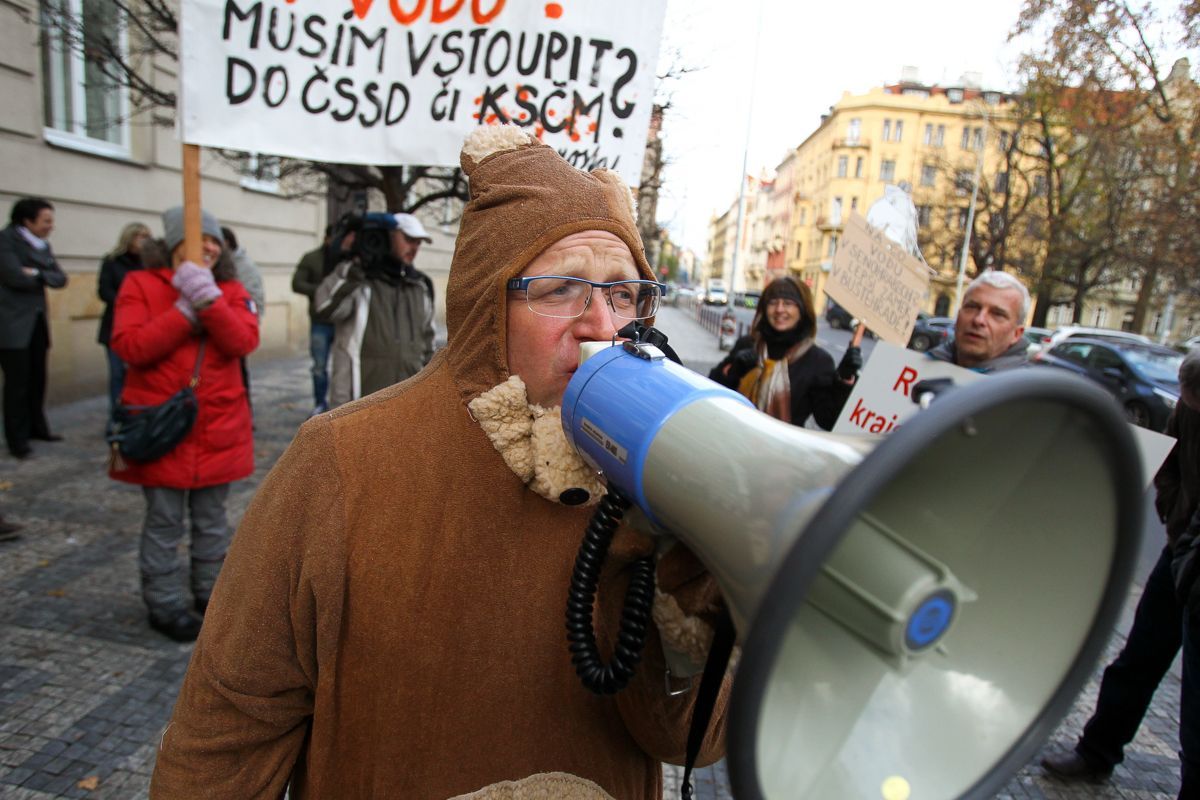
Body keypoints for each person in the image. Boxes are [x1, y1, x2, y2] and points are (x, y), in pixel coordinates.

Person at [150, 127, 728, 799]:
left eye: (623, 294)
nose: (602, 324)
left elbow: (694, 740)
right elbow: (224, 741)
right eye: (563, 288)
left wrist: (689, 610)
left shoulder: (650, 479)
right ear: (488, 303)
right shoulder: (341, 461)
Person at [1042, 351, 1200, 795]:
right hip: (1179, 553)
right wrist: (1172, 515)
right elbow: (1167, 467)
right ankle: (1097, 752)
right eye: (1186, 400)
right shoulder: (1184, 411)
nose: (1187, 407)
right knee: (1137, 659)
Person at [108, 208, 259, 642]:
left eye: (213, 241)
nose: (207, 247)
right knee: (164, 521)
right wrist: (183, 311)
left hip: (218, 427)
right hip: (163, 430)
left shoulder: (230, 289)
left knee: (212, 522)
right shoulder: (139, 284)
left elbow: (243, 340)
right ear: (172, 245)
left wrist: (209, 301)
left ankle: (210, 595)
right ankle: (164, 604)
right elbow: (130, 347)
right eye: (197, 241)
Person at [314, 212, 435, 407]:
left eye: (418, 243)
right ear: (388, 236)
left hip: (409, 402)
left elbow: (428, 344)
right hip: (362, 399)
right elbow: (325, 308)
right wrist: (351, 266)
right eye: (409, 239)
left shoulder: (420, 286)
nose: (414, 248)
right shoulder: (360, 279)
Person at [708, 275, 860, 428]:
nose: (779, 309)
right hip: (734, 438)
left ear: (802, 310)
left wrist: (844, 380)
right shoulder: (748, 344)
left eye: (788, 303)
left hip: (782, 449)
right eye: (773, 303)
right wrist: (734, 370)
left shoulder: (817, 361)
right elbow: (711, 391)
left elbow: (827, 420)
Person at [0, 197, 69, 459]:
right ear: (27, 221)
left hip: (37, 322)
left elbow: (60, 278)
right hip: (12, 325)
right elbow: (14, 276)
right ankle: (17, 439)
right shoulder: (5, 241)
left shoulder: (42, 246)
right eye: (46, 221)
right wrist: (40, 275)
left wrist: (36, 274)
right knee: (17, 384)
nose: (51, 226)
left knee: (37, 378)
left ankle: (37, 427)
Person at [928, 269, 1030, 372]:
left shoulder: (1024, 387)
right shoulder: (922, 367)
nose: (978, 320)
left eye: (997, 314)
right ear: (958, 315)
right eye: (972, 307)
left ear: (1016, 334)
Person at [98, 222, 151, 412]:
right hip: (116, 325)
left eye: (147, 236)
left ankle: (138, 412)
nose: (144, 241)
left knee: (139, 375)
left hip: (145, 326)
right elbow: (104, 291)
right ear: (129, 238)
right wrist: (130, 303)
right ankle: (118, 415)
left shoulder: (149, 263)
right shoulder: (112, 262)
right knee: (118, 373)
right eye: (140, 236)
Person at [291, 226, 336, 415]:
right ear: (326, 238)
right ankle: (320, 403)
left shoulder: (347, 260)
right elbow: (297, 283)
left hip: (343, 321)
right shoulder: (312, 258)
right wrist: (320, 291)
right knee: (319, 366)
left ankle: (341, 404)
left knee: (344, 366)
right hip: (320, 321)